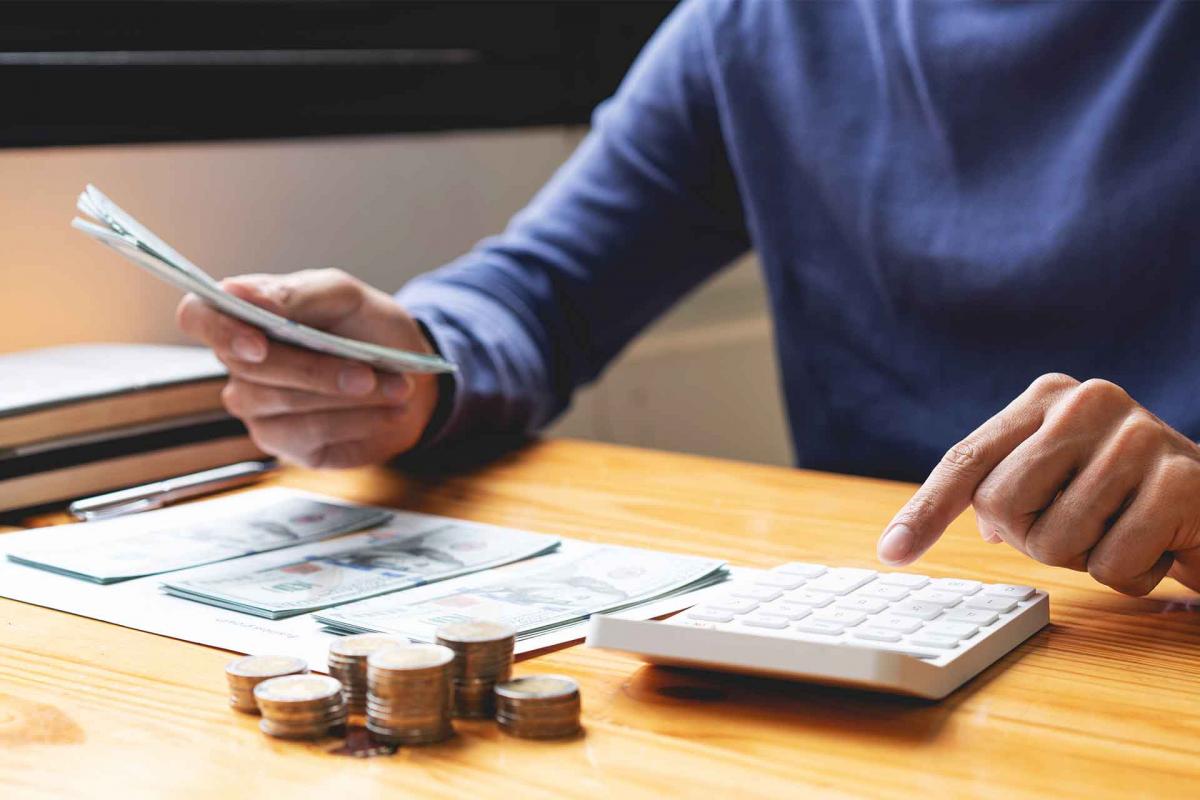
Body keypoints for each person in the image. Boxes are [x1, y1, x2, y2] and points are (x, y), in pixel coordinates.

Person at [177, 1, 1200, 597]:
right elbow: (543, 287)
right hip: (890, 613)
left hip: (1163, 632)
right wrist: (412, 363)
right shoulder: (757, 26)